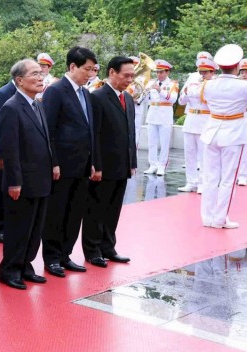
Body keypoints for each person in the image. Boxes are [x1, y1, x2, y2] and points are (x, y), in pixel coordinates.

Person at [0, 59, 56, 289]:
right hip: (22, 181)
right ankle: (10, 269)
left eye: (41, 74)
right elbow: (9, 148)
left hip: (41, 178)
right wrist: (14, 181)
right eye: (34, 74)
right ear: (19, 80)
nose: (41, 78)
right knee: (19, 228)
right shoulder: (11, 107)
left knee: (35, 228)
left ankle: (26, 265)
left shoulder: (38, 104)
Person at [40, 46, 98, 278]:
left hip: (82, 165)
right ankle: (52, 257)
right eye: (87, 69)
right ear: (72, 67)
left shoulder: (85, 93)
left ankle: (65, 254)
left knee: (75, 213)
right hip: (62, 165)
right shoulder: (56, 91)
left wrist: (93, 160)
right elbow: (49, 130)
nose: (90, 74)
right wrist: (53, 161)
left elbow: (90, 130)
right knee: (57, 212)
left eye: (93, 70)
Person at [83, 56, 137, 266]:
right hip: (103, 165)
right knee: (96, 208)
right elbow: (94, 134)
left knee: (113, 209)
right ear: (112, 72)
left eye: (132, 75)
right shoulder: (97, 97)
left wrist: (132, 161)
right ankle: (92, 250)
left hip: (122, 165)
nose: (129, 79)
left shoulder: (128, 98)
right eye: (126, 75)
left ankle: (108, 246)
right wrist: (95, 164)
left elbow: (130, 133)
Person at [200, 44, 247, 229]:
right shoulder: (243, 86)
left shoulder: (208, 85)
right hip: (233, 134)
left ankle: (207, 217)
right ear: (237, 66)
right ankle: (220, 219)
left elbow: (205, 103)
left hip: (212, 132)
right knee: (228, 179)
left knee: (210, 177)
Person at [179, 54, 216, 193]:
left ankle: (202, 183)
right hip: (191, 120)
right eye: (201, 72)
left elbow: (207, 98)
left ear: (212, 72)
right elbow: (182, 101)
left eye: (205, 72)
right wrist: (188, 93)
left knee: (203, 156)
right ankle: (191, 181)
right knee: (189, 153)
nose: (202, 74)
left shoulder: (214, 84)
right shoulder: (193, 81)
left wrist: (193, 91)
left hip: (205, 121)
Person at [0, 72, 18, 245]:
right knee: (2, 191)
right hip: (5, 155)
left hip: (20, 156)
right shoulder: (4, 93)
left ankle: (10, 227)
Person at [144, 60, 179, 175]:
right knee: (152, 142)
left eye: (161, 72)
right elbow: (145, 99)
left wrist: (160, 90)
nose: (158, 74)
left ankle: (162, 166)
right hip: (153, 113)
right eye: (157, 72)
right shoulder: (151, 82)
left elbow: (173, 99)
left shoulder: (173, 84)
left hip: (165, 114)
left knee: (164, 142)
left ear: (167, 72)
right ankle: (152, 164)